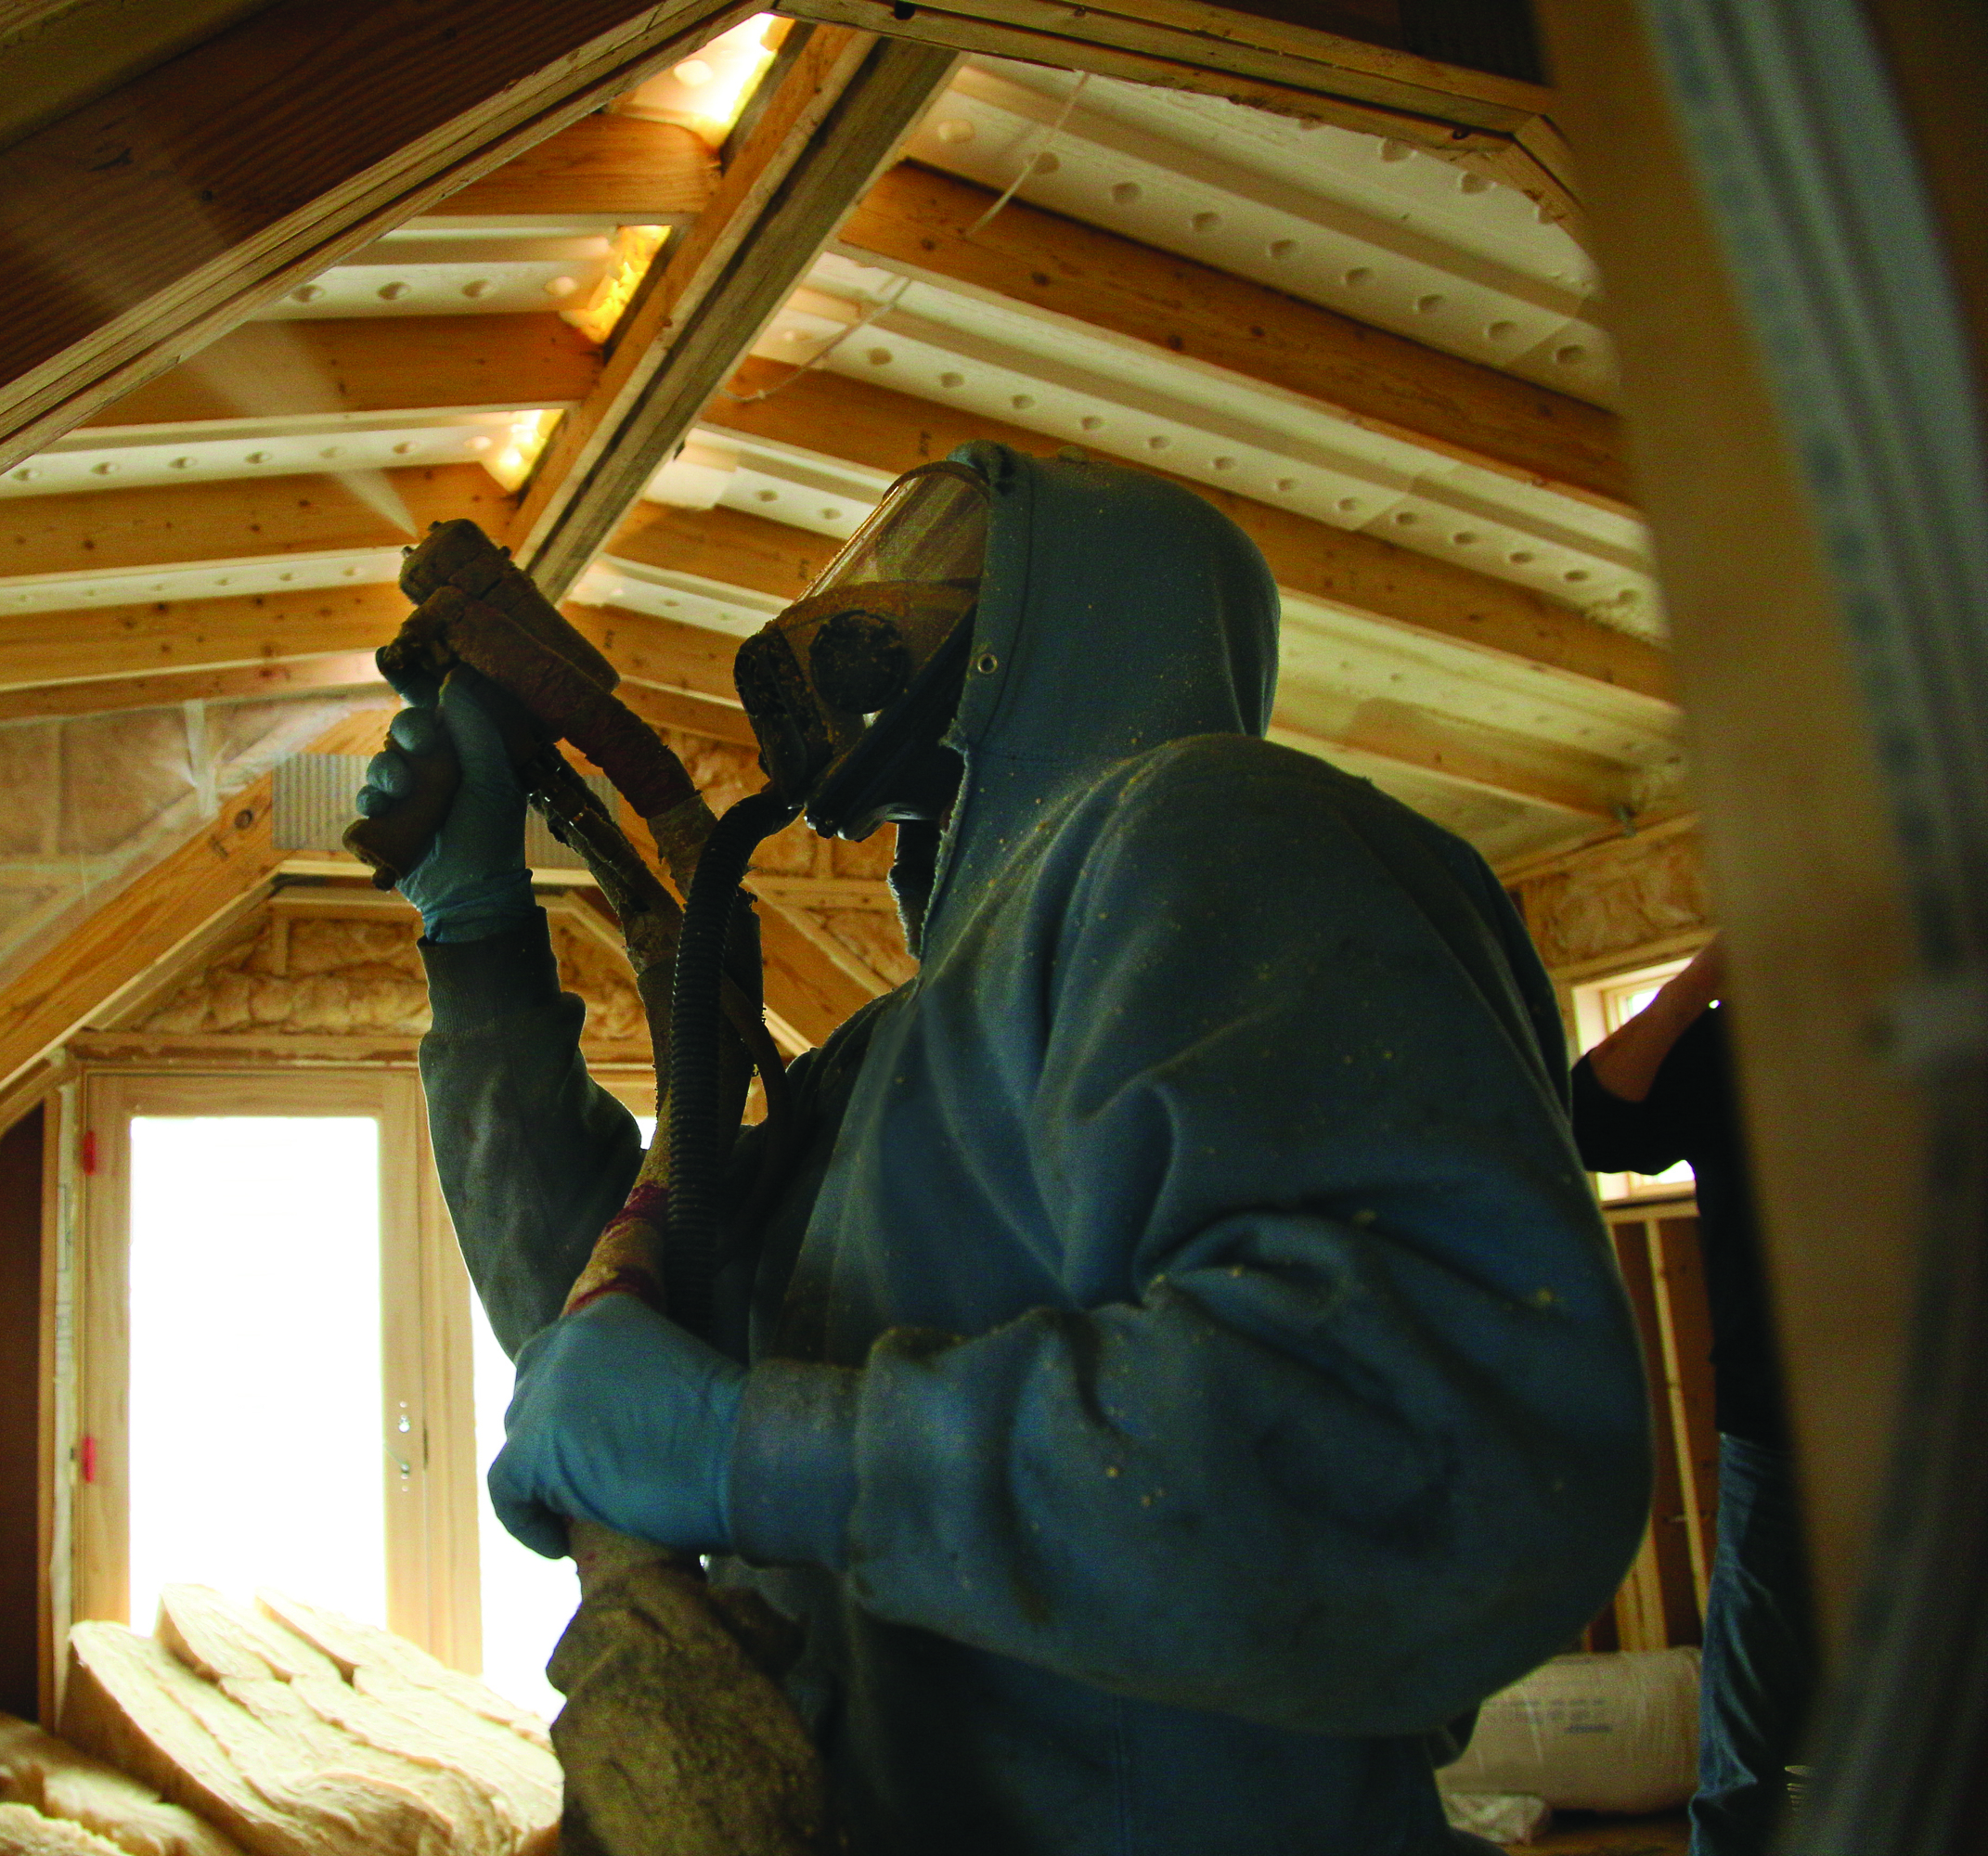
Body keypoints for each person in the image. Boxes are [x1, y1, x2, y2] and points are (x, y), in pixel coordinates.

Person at [371, 445, 1652, 1855]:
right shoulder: (891, 1056)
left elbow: (1429, 1439)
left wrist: (769, 1456)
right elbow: (615, 1322)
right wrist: (479, 930)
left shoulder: (1208, 835)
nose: (853, 610)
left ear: (1095, 602)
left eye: (941, 550)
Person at [1569, 941, 1815, 1856]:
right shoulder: (1738, 1041)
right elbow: (1591, 1124)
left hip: (1942, 1417)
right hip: (1778, 1421)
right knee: (1749, 1738)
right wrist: (1708, 975)